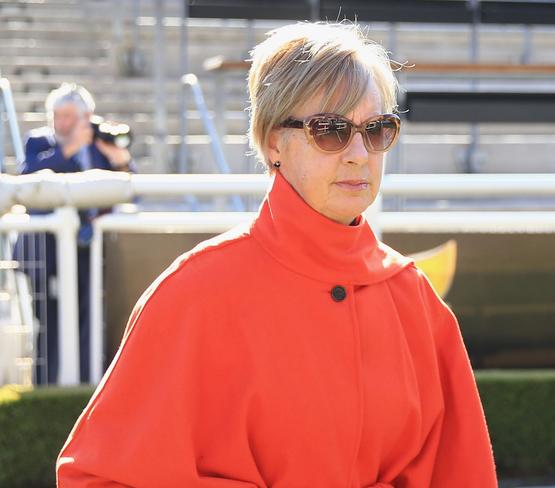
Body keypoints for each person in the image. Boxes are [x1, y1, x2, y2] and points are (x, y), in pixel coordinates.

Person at [56, 22, 497, 487]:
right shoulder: (193, 292)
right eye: (330, 130)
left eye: (376, 129)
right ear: (272, 141)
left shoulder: (417, 302)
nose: (358, 153)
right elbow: (95, 477)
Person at [14, 83, 135, 385]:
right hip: (46, 254)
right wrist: (70, 149)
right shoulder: (39, 141)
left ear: (87, 116)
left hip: (90, 252)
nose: (61, 122)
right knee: (49, 322)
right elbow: (28, 177)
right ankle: (46, 387)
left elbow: (131, 190)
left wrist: (118, 158)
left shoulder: (99, 145)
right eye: (57, 115)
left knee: (91, 320)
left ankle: (86, 383)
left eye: (68, 116)